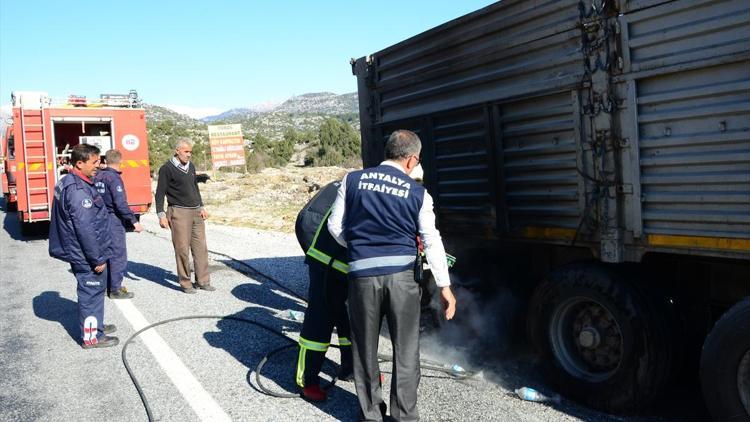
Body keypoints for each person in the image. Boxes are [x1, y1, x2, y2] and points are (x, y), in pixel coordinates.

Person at [328, 130, 457, 421]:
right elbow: (432, 240)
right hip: (402, 280)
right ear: (412, 160)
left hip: (361, 277)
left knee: (364, 348)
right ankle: (404, 416)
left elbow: (335, 227)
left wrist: (361, 247)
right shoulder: (418, 193)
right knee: (406, 348)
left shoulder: (352, 180)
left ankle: (371, 414)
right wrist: (445, 287)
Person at [48, 143, 119, 349]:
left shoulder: (71, 181)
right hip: (86, 254)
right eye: (94, 162)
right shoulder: (78, 190)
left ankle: (95, 325)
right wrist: (96, 258)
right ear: (79, 163)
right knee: (92, 293)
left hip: (82, 250)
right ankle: (92, 337)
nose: (99, 165)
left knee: (93, 294)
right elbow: (85, 229)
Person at [294, 181, 354, 402]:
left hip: (350, 268)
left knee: (350, 320)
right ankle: (307, 381)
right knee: (319, 324)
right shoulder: (365, 191)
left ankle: (351, 368)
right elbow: (338, 228)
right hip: (327, 262)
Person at [154, 137, 214, 294]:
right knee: (182, 249)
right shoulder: (166, 168)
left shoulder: (191, 166)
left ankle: (203, 281)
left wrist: (201, 207)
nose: (189, 155)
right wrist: (161, 214)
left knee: (201, 248)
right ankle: (185, 282)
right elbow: (160, 193)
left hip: (196, 212)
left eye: (191, 152)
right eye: (186, 151)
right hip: (178, 212)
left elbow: (194, 187)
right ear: (177, 151)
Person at [94, 149, 143, 299]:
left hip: (99, 218)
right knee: (118, 254)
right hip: (113, 219)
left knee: (106, 253)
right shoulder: (114, 178)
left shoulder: (98, 176)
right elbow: (120, 204)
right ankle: (115, 289)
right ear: (120, 161)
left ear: (105, 160)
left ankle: (106, 285)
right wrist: (134, 221)